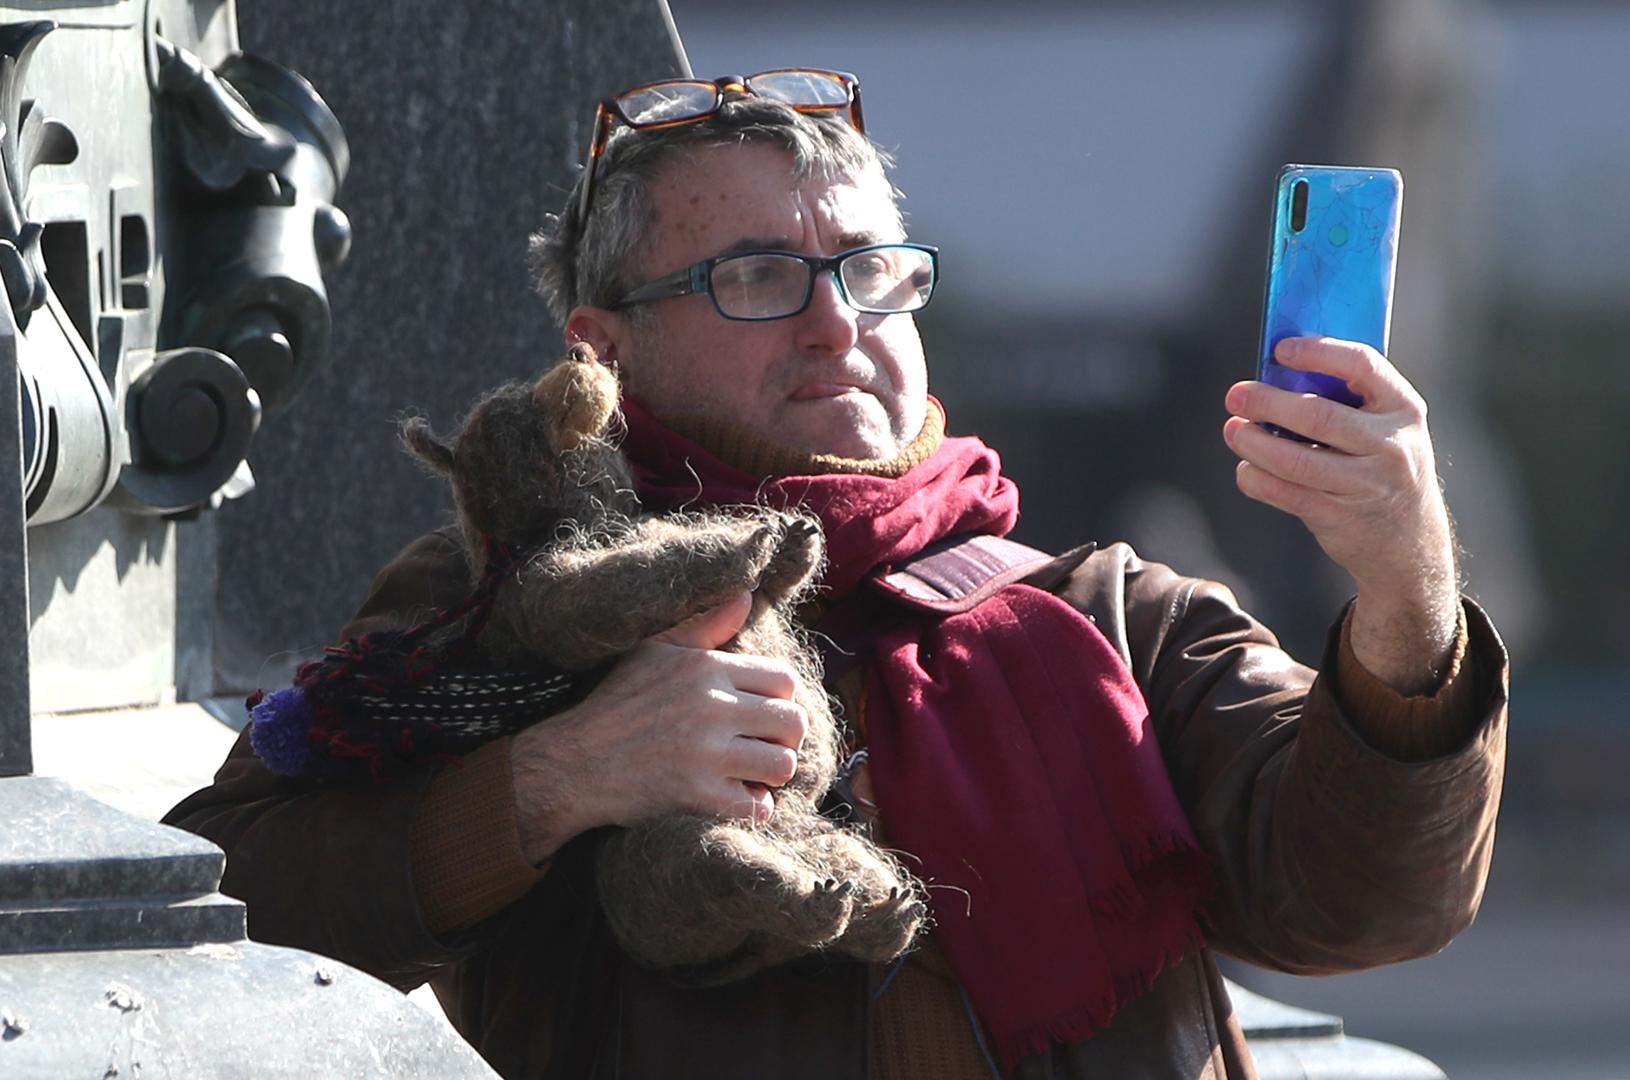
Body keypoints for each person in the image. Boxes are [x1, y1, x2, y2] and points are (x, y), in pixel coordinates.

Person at [167, 70, 1507, 1080]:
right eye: (756, 275)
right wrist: (559, 780)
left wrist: (1406, 592)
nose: (835, 324)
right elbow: (221, 894)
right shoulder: (501, 599)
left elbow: (1371, 900)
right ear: (605, 344)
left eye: (871, 273)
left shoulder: (1098, 608)